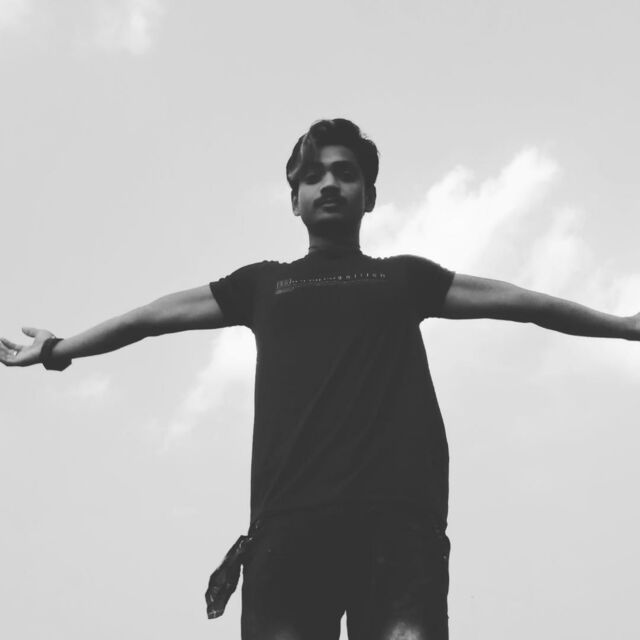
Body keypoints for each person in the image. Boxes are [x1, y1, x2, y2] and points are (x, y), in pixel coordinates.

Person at [1, 118, 638, 640]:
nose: (329, 183)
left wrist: (623, 326)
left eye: (345, 173)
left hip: (399, 531)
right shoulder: (262, 285)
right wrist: (58, 349)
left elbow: (522, 302)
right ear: (294, 200)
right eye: (313, 176)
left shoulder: (404, 278)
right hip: (289, 529)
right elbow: (152, 316)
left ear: (369, 195)